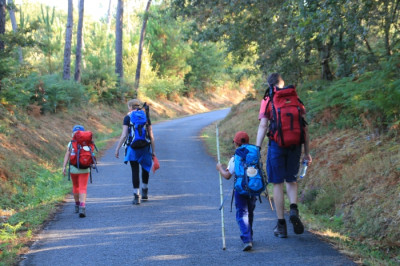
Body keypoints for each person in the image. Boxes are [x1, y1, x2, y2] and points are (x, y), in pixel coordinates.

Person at [256, 73, 312, 238]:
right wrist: (307, 153)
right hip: (295, 145)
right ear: (283, 83)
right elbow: (305, 129)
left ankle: (281, 224)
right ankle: (293, 208)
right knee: (291, 180)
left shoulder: (268, 100)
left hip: (276, 146)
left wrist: (257, 149)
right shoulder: (295, 99)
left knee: (277, 183)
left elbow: (263, 126)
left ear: (270, 84)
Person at [216, 131, 256, 251]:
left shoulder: (235, 158)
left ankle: (247, 239)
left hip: (240, 189)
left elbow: (227, 175)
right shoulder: (253, 155)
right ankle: (249, 235)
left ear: (236, 143)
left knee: (242, 213)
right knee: (250, 211)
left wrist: (220, 168)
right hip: (253, 188)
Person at [115, 99, 156, 205]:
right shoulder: (145, 116)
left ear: (130, 107)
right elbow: (151, 135)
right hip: (145, 147)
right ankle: (145, 192)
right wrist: (153, 151)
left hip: (132, 148)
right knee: (145, 168)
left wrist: (117, 148)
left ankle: (136, 196)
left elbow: (124, 135)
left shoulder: (127, 118)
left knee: (135, 171)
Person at [62, 125, 90, 218]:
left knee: (76, 186)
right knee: (83, 187)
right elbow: (91, 154)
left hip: (73, 168)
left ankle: (77, 205)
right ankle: (83, 206)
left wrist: (64, 167)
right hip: (85, 168)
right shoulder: (87, 142)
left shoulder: (71, 143)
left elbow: (67, 155)